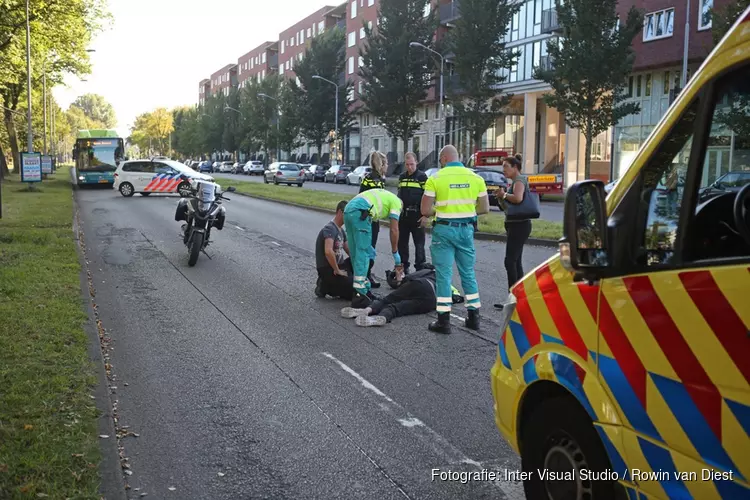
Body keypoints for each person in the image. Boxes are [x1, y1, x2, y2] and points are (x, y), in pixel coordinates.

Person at [421, 145, 489, 334]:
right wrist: (464, 211)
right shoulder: (476, 178)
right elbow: (484, 208)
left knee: (443, 275)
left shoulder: (435, 178)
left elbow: (425, 210)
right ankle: (474, 317)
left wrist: (441, 210)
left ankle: (444, 321)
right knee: (468, 273)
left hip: (444, 230)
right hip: (466, 230)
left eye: (440, 160)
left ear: (444, 158)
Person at [340, 268, 464, 327]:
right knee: (397, 309)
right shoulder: (448, 284)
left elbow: (410, 278)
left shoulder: (429, 271)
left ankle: (367, 310)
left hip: (422, 284)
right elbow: (457, 297)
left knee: (387, 300)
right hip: (431, 301)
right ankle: (381, 317)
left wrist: (400, 279)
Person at [344, 187, 403, 308]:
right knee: (363, 253)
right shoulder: (397, 203)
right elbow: (394, 229)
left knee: (355, 253)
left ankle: (362, 290)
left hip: (348, 209)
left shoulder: (385, 195)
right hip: (362, 212)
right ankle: (360, 296)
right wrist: (395, 252)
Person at [495, 156, 532, 309]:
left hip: (519, 226)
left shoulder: (519, 181)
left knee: (510, 261)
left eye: (506, 166)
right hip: (517, 225)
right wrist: (501, 198)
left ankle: (513, 299)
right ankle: (519, 298)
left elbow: (517, 198)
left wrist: (503, 194)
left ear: (515, 167)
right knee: (516, 261)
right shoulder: (516, 181)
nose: (503, 170)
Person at [358, 151, 388, 288]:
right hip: (371, 218)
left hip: (364, 217)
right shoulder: (378, 181)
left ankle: (365, 274)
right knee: (370, 248)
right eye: (386, 163)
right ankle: (367, 275)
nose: (387, 166)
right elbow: (378, 200)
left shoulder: (367, 177)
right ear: (381, 164)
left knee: (366, 247)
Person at [397, 152, 428, 274]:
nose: (409, 167)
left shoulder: (422, 177)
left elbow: (428, 197)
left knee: (419, 245)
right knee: (402, 244)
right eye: (407, 164)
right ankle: (403, 268)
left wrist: (425, 215)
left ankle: (420, 269)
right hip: (404, 216)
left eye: (412, 164)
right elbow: (399, 195)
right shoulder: (402, 177)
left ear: (416, 162)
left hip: (417, 216)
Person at [315, 201, 353, 299]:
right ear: (340, 212)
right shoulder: (329, 229)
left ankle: (333, 283)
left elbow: (348, 249)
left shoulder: (341, 230)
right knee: (352, 291)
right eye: (348, 214)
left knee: (359, 282)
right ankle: (325, 286)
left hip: (339, 265)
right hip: (328, 268)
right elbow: (328, 251)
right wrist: (337, 270)